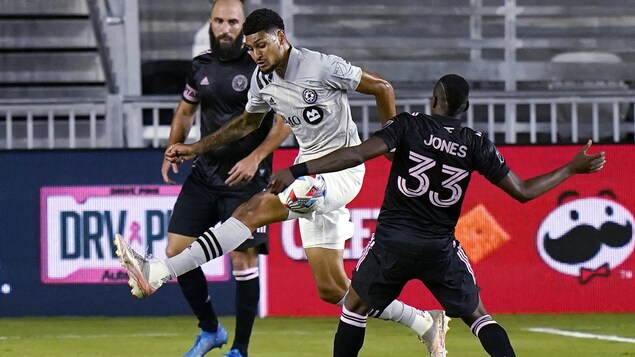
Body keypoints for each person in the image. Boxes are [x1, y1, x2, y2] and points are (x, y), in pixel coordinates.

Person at [115, 8, 449, 356]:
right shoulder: (263, 81)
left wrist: (390, 147)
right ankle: (425, 322)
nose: (256, 54)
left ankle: (159, 272)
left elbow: (382, 87)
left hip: (341, 175)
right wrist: (195, 147)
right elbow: (246, 123)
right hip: (310, 173)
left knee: (252, 210)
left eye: (262, 45)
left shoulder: (322, 66)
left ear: (281, 38)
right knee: (333, 289)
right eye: (251, 48)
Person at [267, 74, 607, 357]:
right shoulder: (476, 143)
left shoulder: (408, 126)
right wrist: (572, 168)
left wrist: (299, 169)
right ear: (466, 109)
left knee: (353, 308)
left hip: (392, 245)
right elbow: (523, 191)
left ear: (433, 101)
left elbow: (356, 155)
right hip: (439, 249)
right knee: (479, 317)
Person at [160, 1, 290, 357]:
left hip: (247, 179)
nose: (225, 28)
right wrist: (174, 146)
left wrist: (256, 156)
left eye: (233, 22)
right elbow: (186, 110)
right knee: (175, 252)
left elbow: (285, 121)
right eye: (219, 21)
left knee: (243, 261)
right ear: (210, 23)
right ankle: (210, 330)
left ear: (244, 25)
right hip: (205, 175)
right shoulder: (200, 64)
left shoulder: (262, 65)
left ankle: (240, 349)